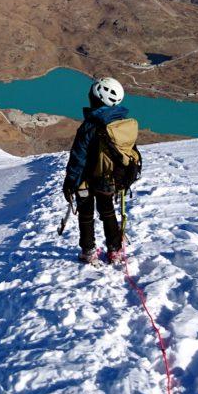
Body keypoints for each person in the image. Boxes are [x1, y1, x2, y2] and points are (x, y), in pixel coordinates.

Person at [62, 76, 130, 267]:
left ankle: (88, 251)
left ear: (97, 98)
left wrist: (70, 182)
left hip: (86, 179)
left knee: (86, 214)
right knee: (108, 212)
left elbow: (78, 157)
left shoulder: (90, 125)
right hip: (108, 179)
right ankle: (115, 250)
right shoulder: (119, 122)